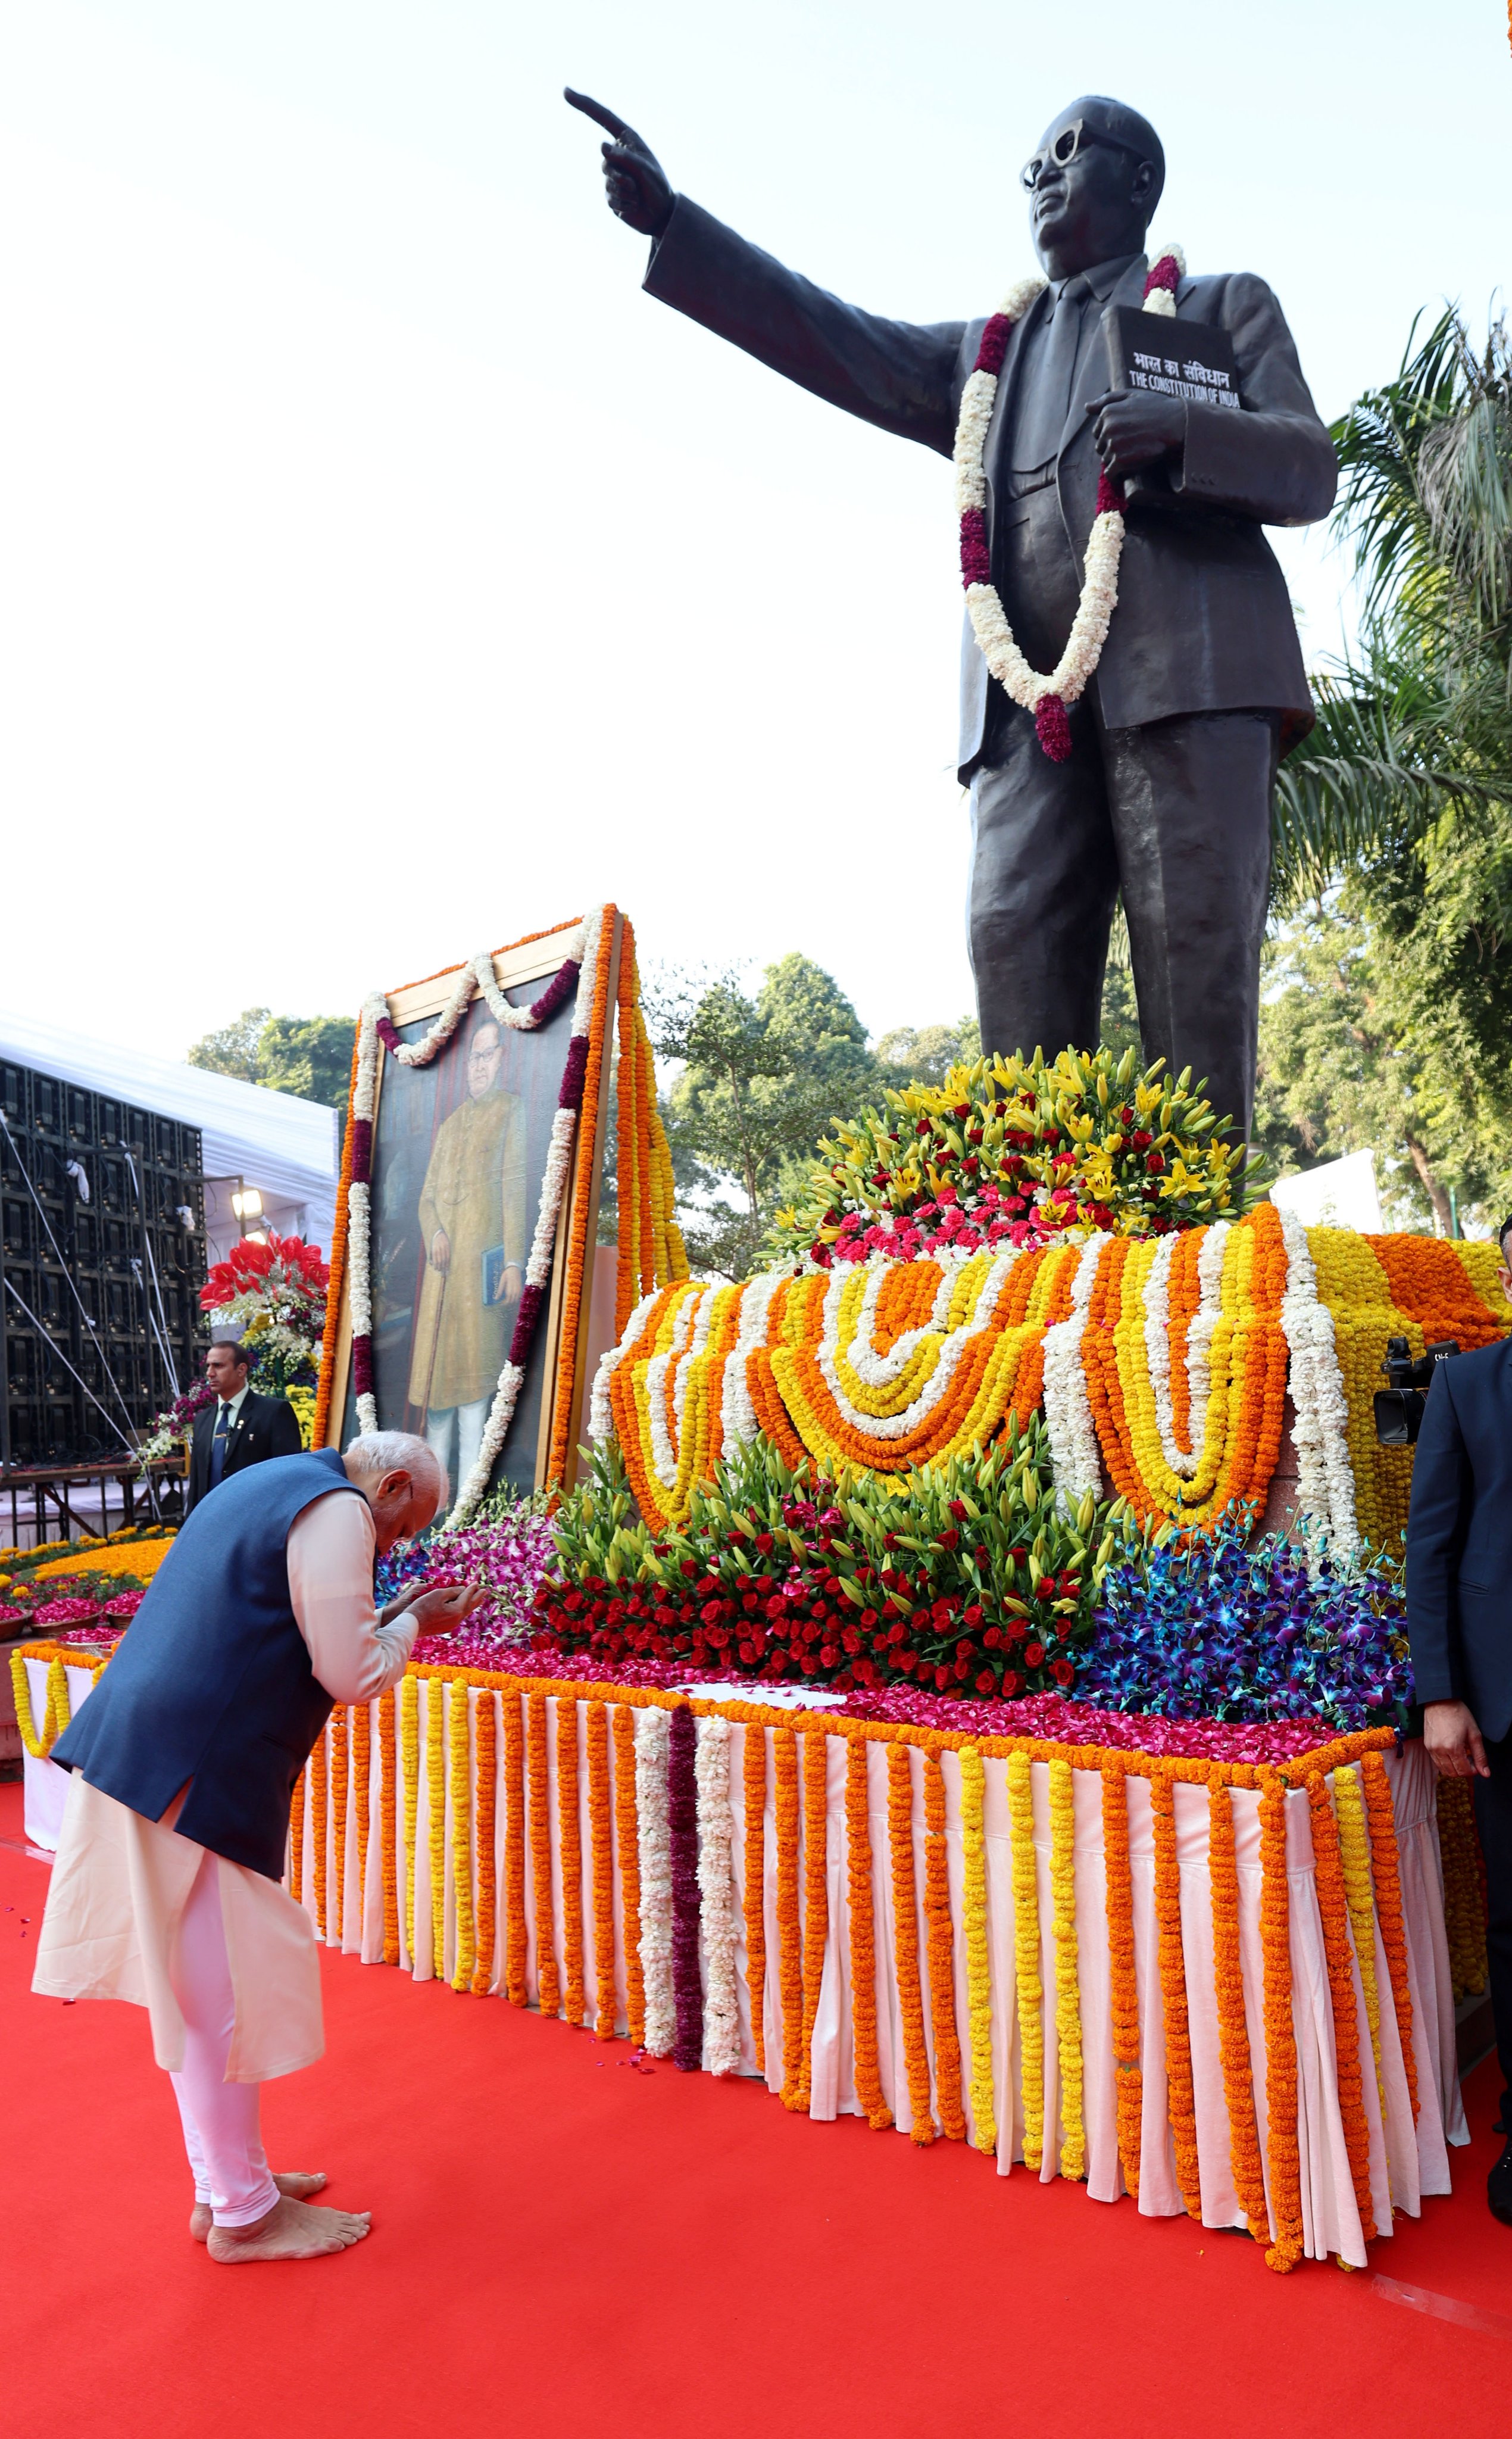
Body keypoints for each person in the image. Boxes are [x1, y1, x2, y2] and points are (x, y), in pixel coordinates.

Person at [566, 89, 1337, 1144]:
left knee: (1193, 955)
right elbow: (832, 336)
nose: (1044, 178)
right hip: (1024, 705)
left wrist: (1187, 429)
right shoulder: (990, 351)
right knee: (1009, 932)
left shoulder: (1217, 303)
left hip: (1186, 679)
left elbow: (1309, 465)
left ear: (1142, 181)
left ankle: (1204, 1262)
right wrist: (677, 227)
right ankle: (1044, 1243)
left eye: (1070, 152)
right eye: (1031, 167)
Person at [33, 1430, 484, 2263]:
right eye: (402, 1528)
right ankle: (243, 2214)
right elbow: (348, 1675)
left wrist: (399, 1616)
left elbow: (290, 1635)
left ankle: (228, 2188)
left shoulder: (282, 1478)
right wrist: (415, 1625)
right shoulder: (340, 1509)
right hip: (193, 1769)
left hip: (160, 1753)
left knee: (207, 1991)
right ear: (386, 1487)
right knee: (221, 1996)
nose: (396, 1544)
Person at [1405, 1219, 1512, 2228]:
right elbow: (1429, 1550)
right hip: (1504, 1711)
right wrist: (1440, 1694)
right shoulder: (1466, 1385)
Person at [406, 1015, 527, 1489]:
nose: (478, 1065)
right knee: (437, 1394)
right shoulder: (451, 1124)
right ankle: (434, 1499)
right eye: (472, 1057)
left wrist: (515, 1261)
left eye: (486, 1054)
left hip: (482, 1268)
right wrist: (434, 1229)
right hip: (443, 1276)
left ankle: (471, 1496)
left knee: (476, 1391)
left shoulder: (511, 1111)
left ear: (501, 1059)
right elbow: (427, 1196)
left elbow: (516, 1189)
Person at [186, 1336, 302, 1513]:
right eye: (208, 1366)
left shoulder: (273, 1412)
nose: (210, 1373)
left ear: (241, 1370)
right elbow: (196, 1482)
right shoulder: (203, 1420)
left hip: (257, 1520)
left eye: (218, 1366)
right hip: (211, 1521)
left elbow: (288, 1476)